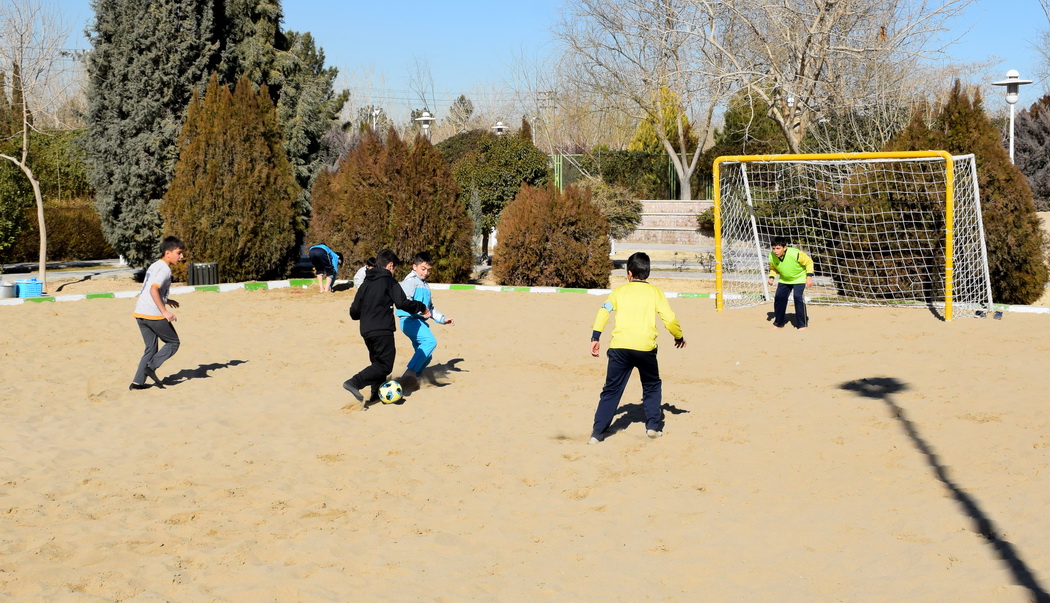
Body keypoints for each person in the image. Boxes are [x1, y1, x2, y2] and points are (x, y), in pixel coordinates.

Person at [588, 252, 685, 444]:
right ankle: (652, 427)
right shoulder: (656, 293)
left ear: (629, 273)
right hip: (645, 348)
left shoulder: (618, 292)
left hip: (619, 347)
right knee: (651, 385)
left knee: (611, 390)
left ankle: (597, 433)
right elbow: (670, 318)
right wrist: (678, 336)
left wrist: (596, 336)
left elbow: (604, 310)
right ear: (647, 272)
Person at [344, 249, 430, 405]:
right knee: (384, 365)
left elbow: (354, 312)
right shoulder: (390, 281)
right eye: (394, 268)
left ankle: (376, 395)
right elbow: (402, 303)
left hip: (366, 330)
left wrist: (367, 314)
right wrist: (421, 306)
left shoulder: (365, 284)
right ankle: (355, 382)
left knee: (377, 364)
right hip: (382, 329)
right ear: (390, 265)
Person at [130, 236, 185, 391]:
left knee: (151, 349)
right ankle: (151, 367)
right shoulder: (165, 270)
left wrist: (167, 300)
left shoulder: (155, 265)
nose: (182, 257)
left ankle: (137, 383)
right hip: (152, 314)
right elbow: (153, 290)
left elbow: (150, 290)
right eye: (179, 253)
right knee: (173, 343)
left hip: (140, 312)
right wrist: (165, 311)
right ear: (168, 253)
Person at [395, 252, 454, 391]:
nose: (426, 272)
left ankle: (413, 380)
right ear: (414, 267)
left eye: (428, 270)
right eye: (423, 269)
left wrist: (443, 319)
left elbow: (430, 308)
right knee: (430, 342)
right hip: (409, 320)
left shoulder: (425, 286)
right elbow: (404, 302)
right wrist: (419, 310)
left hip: (419, 322)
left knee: (426, 357)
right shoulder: (410, 281)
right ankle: (409, 375)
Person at [767, 236, 815, 329]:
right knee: (779, 298)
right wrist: (771, 277)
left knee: (797, 297)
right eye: (773, 248)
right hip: (784, 279)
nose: (775, 251)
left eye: (778, 248)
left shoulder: (795, 253)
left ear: (784, 248)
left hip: (799, 278)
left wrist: (809, 277)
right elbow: (773, 268)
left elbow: (809, 262)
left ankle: (802, 324)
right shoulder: (771, 256)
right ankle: (779, 323)